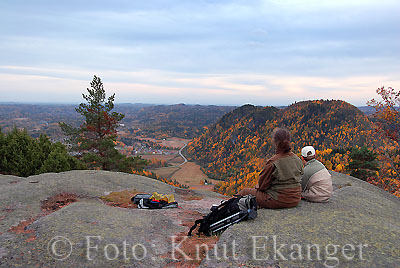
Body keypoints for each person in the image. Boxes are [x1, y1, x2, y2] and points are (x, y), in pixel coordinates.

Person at [237, 128, 303, 209]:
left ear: (275, 142)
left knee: (245, 192)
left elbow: (262, 186)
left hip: (279, 200)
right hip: (295, 199)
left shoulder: (273, 162)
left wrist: (257, 187)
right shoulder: (297, 159)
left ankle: (225, 209)